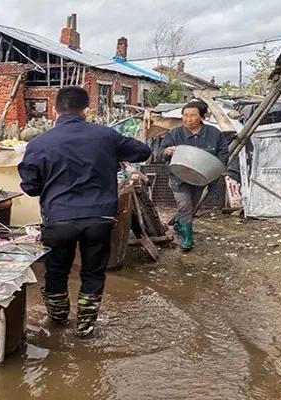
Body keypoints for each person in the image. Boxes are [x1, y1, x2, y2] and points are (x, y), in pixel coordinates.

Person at [18, 86, 152, 337]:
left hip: (58, 219)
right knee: (93, 271)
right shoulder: (106, 136)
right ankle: (85, 328)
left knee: (57, 271)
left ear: (55, 111)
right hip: (99, 218)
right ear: (86, 110)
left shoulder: (39, 143)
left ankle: (58, 320)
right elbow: (143, 152)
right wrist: (113, 155)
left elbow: (31, 188)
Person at [160, 100, 229, 251]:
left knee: (190, 206)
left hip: (200, 177)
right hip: (178, 177)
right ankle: (188, 238)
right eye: (185, 115)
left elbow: (223, 154)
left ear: (202, 117)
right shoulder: (175, 133)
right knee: (185, 205)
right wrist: (167, 152)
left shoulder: (214, 134)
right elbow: (160, 152)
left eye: (192, 115)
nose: (188, 119)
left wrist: (216, 170)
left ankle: (180, 224)